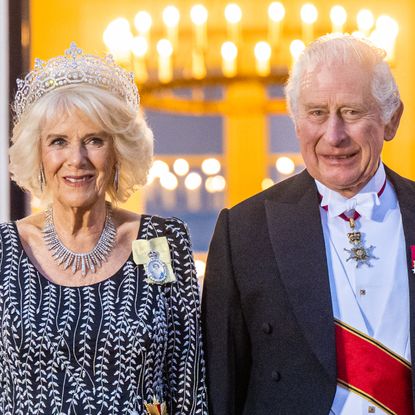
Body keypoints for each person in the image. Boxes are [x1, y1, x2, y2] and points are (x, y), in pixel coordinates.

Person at [202, 34, 415, 414]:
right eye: (317, 113)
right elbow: (223, 388)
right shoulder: (244, 231)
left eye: (351, 112)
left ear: (391, 119)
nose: (333, 136)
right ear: (297, 123)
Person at [1, 42, 207, 415]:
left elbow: (188, 385)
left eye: (94, 140)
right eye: (58, 142)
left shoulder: (163, 242)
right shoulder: (3, 251)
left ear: (118, 151)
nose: (76, 160)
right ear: (39, 153)